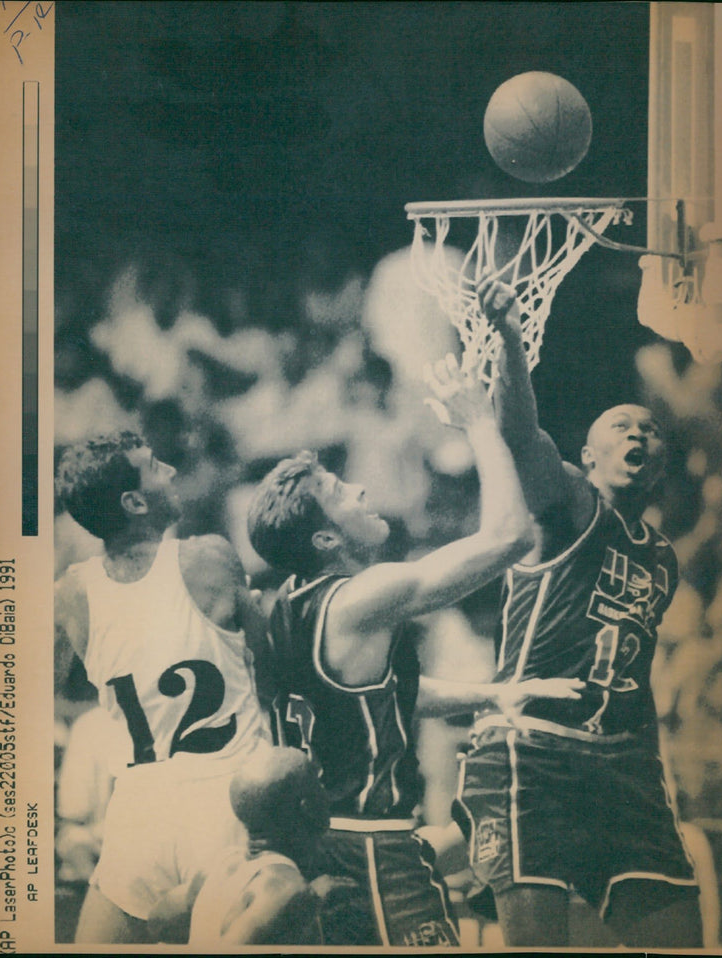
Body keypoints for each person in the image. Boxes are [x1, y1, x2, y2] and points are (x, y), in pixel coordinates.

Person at [246, 357, 585, 947]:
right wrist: (479, 423)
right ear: (326, 538)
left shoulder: (286, 605)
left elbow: (374, 696)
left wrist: (492, 694)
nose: (359, 488)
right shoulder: (361, 598)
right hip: (371, 848)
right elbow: (509, 537)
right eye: (337, 490)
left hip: (312, 845)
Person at [451, 278, 702, 947]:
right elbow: (517, 432)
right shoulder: (567, 505)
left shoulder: (662, 557)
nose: (638, 432)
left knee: (683, 939)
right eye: (621, 426)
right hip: (533, 754)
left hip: (623, 767)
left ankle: (443, 865)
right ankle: (444, 866)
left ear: (658, 463)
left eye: (649, 428)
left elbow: (635, 672)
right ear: (589, 456)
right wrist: (506, 338)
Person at [54, 431, 273, 943]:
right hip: (229, 800)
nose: (171, 471)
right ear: (133, 502)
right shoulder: (209, 557)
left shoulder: (70, 593)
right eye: (155, 465)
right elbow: (273, 668)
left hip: (137, 808)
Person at [148, 746, 352, 946]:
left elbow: (157, 922)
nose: (324, 790)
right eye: (316, 783)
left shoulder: (219, 865)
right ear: (307, 807)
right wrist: (309, 900)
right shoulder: (288, 890)